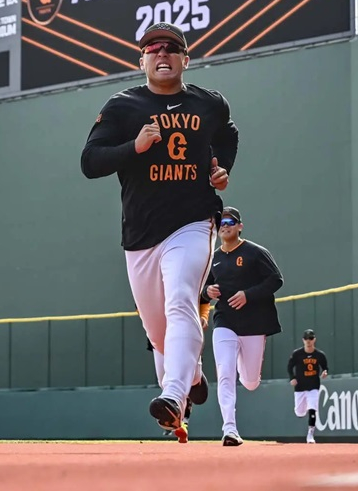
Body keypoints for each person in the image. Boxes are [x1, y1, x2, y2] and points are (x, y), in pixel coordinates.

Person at [81, 22, 239, 433]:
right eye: (153, 49)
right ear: (142, 61)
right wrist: (134, 147)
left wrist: (221, 167)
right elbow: (90, 162)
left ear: (186, 59)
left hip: (193, 222)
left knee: (182, 299)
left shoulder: (209, 104)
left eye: (171, 47)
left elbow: (228, 135)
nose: (162, 53)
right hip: (140, 234)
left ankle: (173, 394)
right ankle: (193, 375)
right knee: (158, 333)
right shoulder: (123, 106)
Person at [202, 207, 283, 446]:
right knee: (225, 373)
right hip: (225, 321)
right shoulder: (213, 258)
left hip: (254, 323)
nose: (225, 226)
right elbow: (202, 288)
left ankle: (246, 370)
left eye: (230, 221)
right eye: (221, 222)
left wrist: (249, 294)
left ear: (240, 226)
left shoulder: (255, 252)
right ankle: (229, 429)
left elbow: (276, 279)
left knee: (250, 381)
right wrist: (207, 291)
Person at [145, 296, 211, 443]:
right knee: (164, 381)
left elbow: (202, 296)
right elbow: (141, 304)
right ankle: (177, 420)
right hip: (159, 331)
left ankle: (183, 420)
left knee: (179, 379)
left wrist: (203, 316)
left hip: (183, 328)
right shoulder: (148, 283)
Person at [287, 329, 329, 444]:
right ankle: (305, 407)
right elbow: (290, 367)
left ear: (314, 340)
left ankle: (310, 434)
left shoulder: (319, 355)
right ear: (303, 340)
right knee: (299, 413)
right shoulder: (297, 354)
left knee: (312, 409)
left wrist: (325, 372)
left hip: (313, 386)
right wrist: (292, 378)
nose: (308, 341)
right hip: (300, 387)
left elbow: (325, 367)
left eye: (310, 338)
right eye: (306, 338)